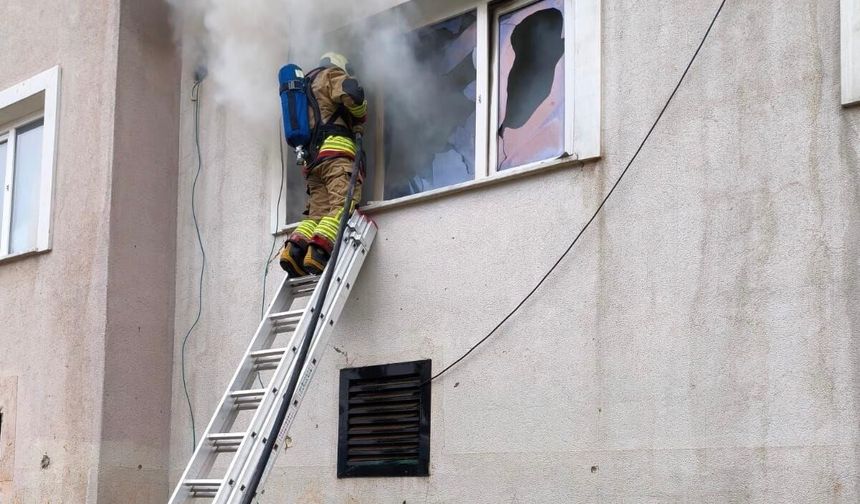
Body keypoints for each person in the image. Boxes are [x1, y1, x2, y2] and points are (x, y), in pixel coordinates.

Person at [280, 52, 368, 277]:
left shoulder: (304, 87)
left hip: (313, 163)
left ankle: (294, 251)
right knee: (342, 205)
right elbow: (353, 94)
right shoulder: (330, 75)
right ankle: (319, 252)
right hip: (337, 156)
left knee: (317, 215)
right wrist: (360, 115)